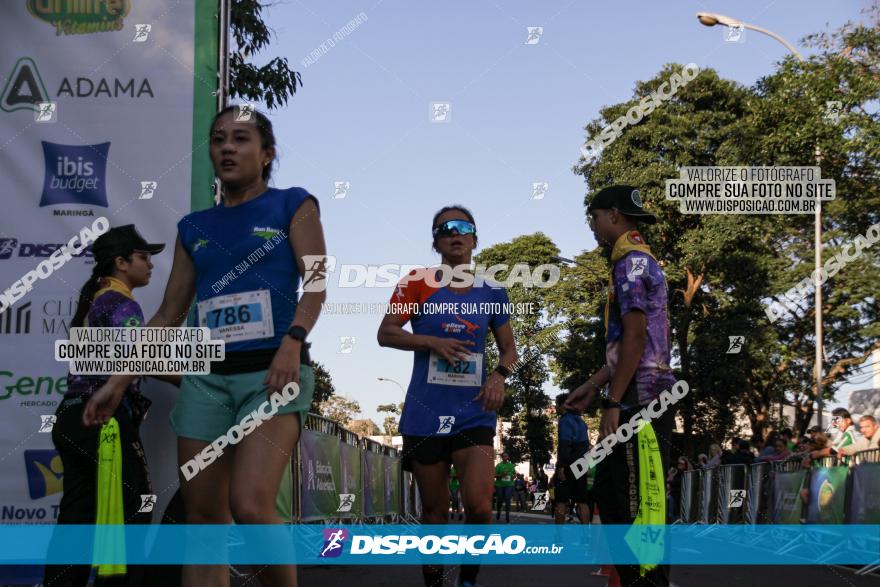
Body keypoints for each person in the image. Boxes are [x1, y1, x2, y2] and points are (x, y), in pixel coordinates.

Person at [84, 106, 326, 587]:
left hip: (271, 378)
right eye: (218, 139)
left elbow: (316, 283)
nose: (227, 148)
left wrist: (293, 342)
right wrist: (118, 381)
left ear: (267, 153)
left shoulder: (294, 204)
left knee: (252, 506)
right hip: (206, 380)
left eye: (241, 138)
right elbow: (170, 313)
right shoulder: (194, 227)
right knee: (203, 520)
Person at [377, 205, 517, 587]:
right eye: (445, 229)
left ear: (474, 238)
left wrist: (500, 377)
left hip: (474, 413)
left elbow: (509, 350)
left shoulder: (492, 290)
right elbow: (386, 333)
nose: (454, 234)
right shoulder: (417, 282)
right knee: (435, 513)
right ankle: (435, 581)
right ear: (436, 241)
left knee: (480, 506)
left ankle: (468, 580)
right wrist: (430, 341)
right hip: (425, 414)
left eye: (463, 227)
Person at [44, 225, 171, 587]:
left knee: (77, 520)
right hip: (103, 420)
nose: (150, 266)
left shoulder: (97, 299)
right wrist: (202, 375)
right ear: (121, 262)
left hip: (71, 417)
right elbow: (138, 359)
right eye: (144, 258)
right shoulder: (120, 303)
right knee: (132, 511)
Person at [564, 185, 677, 586]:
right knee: (612, 501)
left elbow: (635, 336)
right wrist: (594, 384)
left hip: (639, 402)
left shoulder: (630, 263)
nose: (592, 227)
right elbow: (627, 343)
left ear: (613, 215)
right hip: (632, 395)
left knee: (635, 508)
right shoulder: (633, 261)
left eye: (593, 218)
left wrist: (613, 401)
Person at [554, 393, 591, 524]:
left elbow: (565, 444)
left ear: (564, 404)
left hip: (569, 463)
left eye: (557, 404)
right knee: (582, 501)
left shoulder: (565, 420)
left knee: (561, 501)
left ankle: (558, 535)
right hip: (582, 464)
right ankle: (586, 533)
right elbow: (587, 445)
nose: (556, 407)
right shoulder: (581, 421)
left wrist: (561, 466)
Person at [494, 451, 516, 523]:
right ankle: (499, 511)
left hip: (509, 485)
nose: (505, 457)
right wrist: (501, 475)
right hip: (500, 485)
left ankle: (507, 516)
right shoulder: (499, 465)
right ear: (502, 458)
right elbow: (494, 475)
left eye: (506, 456)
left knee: (507, 499)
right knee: (500, 500)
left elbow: (514, 474)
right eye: (504, 456)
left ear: (508, 457)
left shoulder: (511, 465)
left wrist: (513, 476)